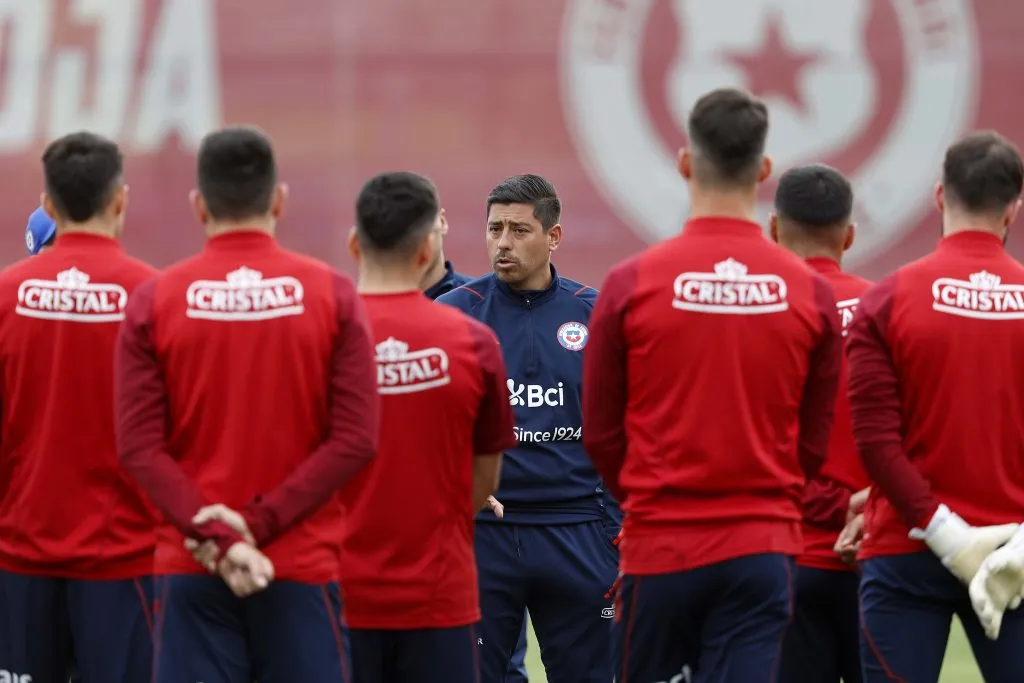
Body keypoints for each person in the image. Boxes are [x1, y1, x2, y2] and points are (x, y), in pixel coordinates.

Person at [582, 87, 844, 683]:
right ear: (765, 168)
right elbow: (813, 440)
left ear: (684, 162)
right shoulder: (809, 291)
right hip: (761, 547)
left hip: (661, 546)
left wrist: (652, 495)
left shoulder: (632, 282)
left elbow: (601, 432)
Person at [113, 125, 380, 683]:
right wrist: (257, 525)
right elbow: (355, 439)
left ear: (199, 205)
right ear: (278, 199)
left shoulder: (155, 300)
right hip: (299, 566)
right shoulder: (332, 295)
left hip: (195, 565)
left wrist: (221, 539)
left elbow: (139, 448)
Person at [847, 130, 1024, 682]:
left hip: (907, 550)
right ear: (1013, 209)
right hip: (1015, 556)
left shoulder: (887, 298)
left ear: (940, 195)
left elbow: (876, 442)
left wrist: (944, 532)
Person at [437, 174, 621, 683]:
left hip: (579, 529)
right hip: (486, 532)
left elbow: (632, 425)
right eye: (494, 228)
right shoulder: (454, 314)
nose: (503, 242)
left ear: (553, 236)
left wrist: (617, 524)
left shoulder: (596, 312)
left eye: (519, 230)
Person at [339, 171, 515, 683]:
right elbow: (486, 477)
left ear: (354, 244)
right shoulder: (474, 341)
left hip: (336, 596)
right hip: (440, 597)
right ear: (425, 250)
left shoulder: (320, 337)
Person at [0, 131, 158, 683]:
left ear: (47, 205)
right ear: (120, 199)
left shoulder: (4, 296)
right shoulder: (155, 299)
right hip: (125, 564)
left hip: (20, 563)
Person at [416, 194, 532, 683]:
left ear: (442, 223)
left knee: (494, 666)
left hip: (484, 526)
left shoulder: (475, 308)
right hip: (403, 530)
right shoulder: (359, 318)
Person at [769, 163, 871, 683]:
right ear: (849, 235)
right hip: (877, 554)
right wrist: (871, 506)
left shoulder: (762, 315)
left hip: (787, 559)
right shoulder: (888, 307)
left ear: (773, 228)